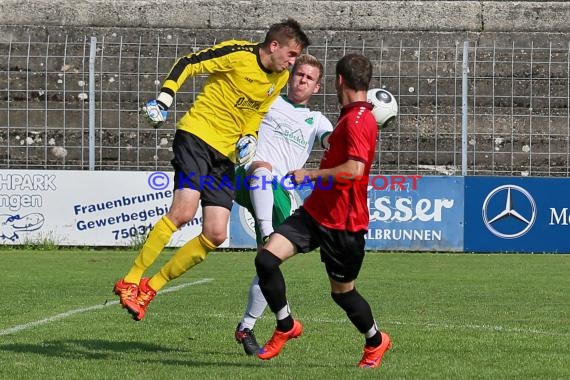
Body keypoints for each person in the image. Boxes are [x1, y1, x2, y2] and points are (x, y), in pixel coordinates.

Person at [113, 19, 310, 321]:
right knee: (182, 212)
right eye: (292, 54)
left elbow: (256, 112)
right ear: (274, 46)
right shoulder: (238, 54)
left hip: (226, 156)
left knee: (216, 234)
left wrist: (250, 137)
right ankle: (130, 279)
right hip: (197, 137)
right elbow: (188, 63)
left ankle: (150, 288)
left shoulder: (280, 78)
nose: (293, 62)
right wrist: (165, 99)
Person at [254, 53, 392, 369]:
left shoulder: (358, 120)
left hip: (344, 224)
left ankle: (375, 341)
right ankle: (286, 325)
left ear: (338, 81)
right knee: (265, 259)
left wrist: (310, 174)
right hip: (317, 212)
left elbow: (355, 170)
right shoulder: (351, 116)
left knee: (343, 294)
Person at [232, 53, 333, 355]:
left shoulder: (316, 120)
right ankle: (264, 232)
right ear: (291, 77)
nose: (302, 80)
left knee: (268, 263)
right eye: (298, 74)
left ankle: (246, 326)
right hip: (249, 176)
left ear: (317, 87)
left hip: (281, 193)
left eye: (309, 78)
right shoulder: (270, 99)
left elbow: (331, 141)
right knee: (261, 167)